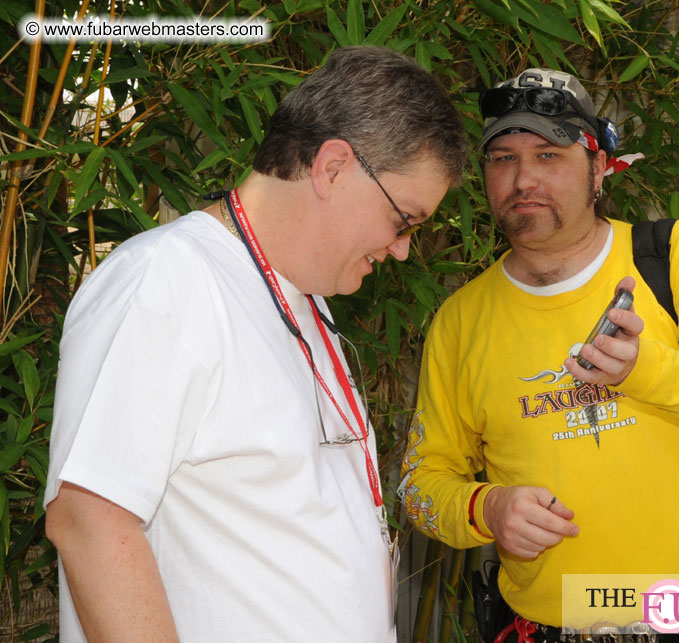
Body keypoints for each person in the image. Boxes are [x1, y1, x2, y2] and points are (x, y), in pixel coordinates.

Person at [44, 46, 465, 642]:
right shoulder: (170, 281)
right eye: (404, 221)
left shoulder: (304, 299)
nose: (402, 250)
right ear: (333, 168)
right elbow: (89, 519)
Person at [398, 67, 679, 642]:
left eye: (549, 155)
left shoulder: (675, 254)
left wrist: (644, 369)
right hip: (545, 628)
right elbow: (421, 483)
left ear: (598, 168)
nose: (523, 178)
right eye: (502, 158)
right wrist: (487, 508)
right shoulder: (459, 320)